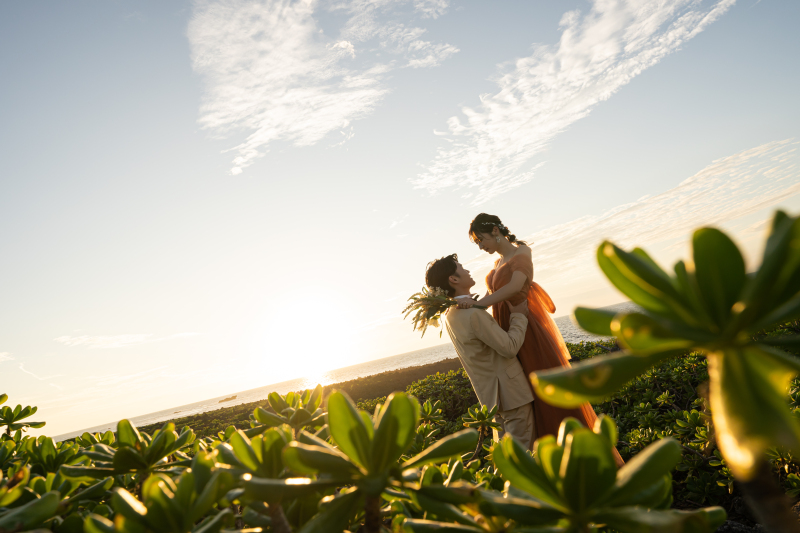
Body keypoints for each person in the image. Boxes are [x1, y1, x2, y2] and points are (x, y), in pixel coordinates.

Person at [459, 213, 624, 466]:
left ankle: (579, 458)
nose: (481, 247)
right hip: (509, 327)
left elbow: (515, 287)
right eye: (477, 243)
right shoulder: (500, 261)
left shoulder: (521, 252)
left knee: (544, 391)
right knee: (525, 393)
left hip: (527, 329)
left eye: (481, 240)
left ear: (495, 231)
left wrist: (479, 305)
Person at [425, 254, 536, 450]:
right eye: (461, 267)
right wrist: (519, 316)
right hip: (512, 396)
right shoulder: (473, 313)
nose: (467, 270)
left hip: (491, 400)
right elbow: (509, 348)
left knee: (505, 459)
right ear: (454, 279)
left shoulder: (451, 316)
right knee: (523, 458)